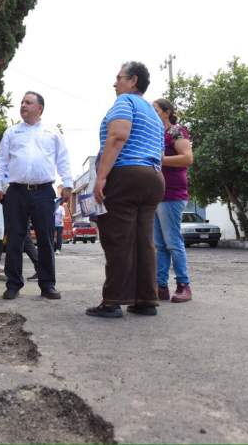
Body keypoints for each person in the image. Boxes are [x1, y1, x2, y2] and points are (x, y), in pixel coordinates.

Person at [86, 62, 165, 318]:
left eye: (119, 77)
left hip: (127, 174)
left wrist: (101, 177)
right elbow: (160, 152)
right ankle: (146, 300)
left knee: (118, 238)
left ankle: (112, 301)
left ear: (132, 80)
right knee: (144, 242)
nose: (115, 83)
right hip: (153, 177)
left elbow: (118, 136)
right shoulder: (154, 113)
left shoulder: (125, 102)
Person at [0, 91, 72, 300]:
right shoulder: (11, 133)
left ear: (39, 109)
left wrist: (68, 184)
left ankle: (47, 285)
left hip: (44, 191)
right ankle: (13, 284)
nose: (23, 105)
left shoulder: (52, 133)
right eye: (22, 102)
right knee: (15, 238)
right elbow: (0, 160)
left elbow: (63, 160)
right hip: (16, 191)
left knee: (46, 239)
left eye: (28, 102)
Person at [153, 99, 194, 303]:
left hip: (172, 194)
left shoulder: (176, 131)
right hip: (155, 194)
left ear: (167, 112)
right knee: (159, 244)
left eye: (156, 110)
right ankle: (160, 287)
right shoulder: (155, 134)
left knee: (172, 242)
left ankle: (183, 285)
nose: (153, 113)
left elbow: (187, 158)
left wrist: (159, 160)